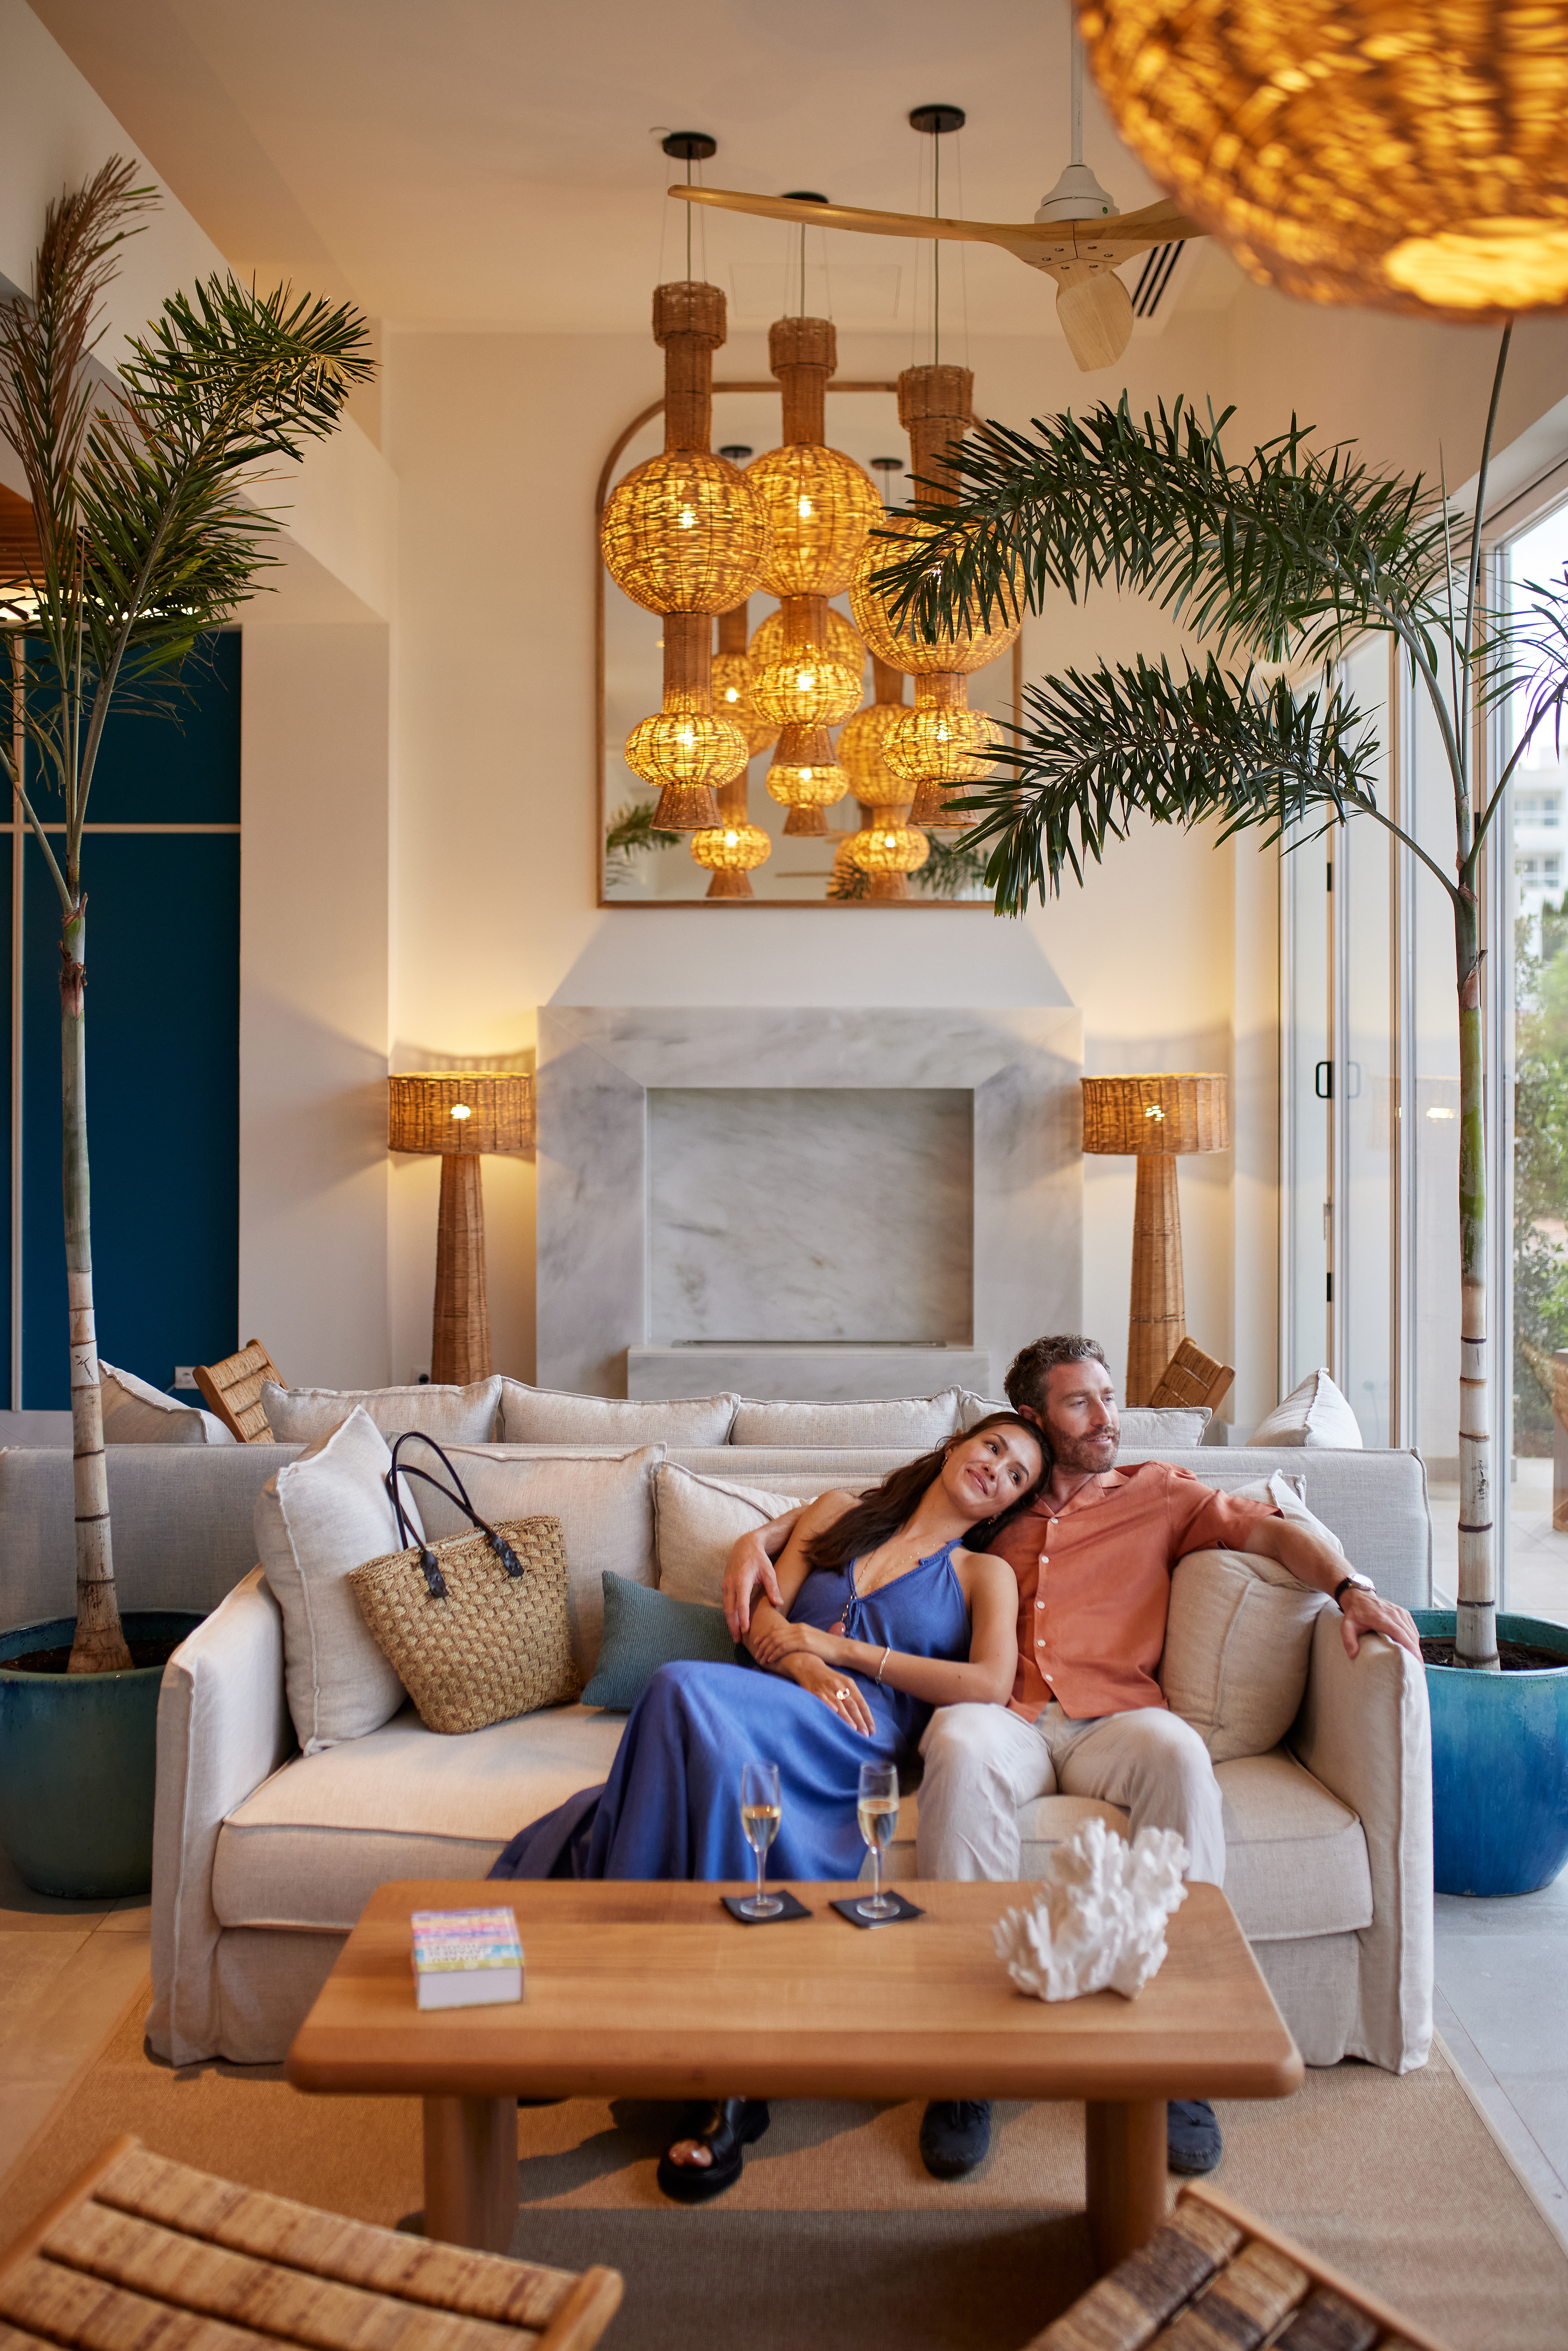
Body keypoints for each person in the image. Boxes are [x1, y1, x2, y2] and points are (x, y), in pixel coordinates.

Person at [722, 1334, 1423, 2185]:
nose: (1107, 1419)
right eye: (1082, 1402)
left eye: (1110, 1398)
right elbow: (877, 1514)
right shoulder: (994, 1497)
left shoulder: (1162, 1491)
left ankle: (1181, 2057)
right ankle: (966, 2064)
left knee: (1179, 1760)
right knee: (958, 1742)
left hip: (1117, 1719)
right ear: (1032, 1420)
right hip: (1008, 1713)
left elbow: (1275, 1534)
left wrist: (1352, 1589)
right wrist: (756, 1537)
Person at [491, 1410, 1045, 2201]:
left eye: (1017, 1475)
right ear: (957, 1447)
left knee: (679, 1691)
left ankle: (616, 2013)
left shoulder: (981, 1576)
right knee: (689, 1706)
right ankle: (725, 2086)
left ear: (1005, 1508)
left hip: (854, 1741)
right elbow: (758, 1617)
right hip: (765, 1696)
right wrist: (803, 1665)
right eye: (993, 1447)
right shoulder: (834, 1514)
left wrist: (842, 1654)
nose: (997, 1469)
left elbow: (990, 1685)